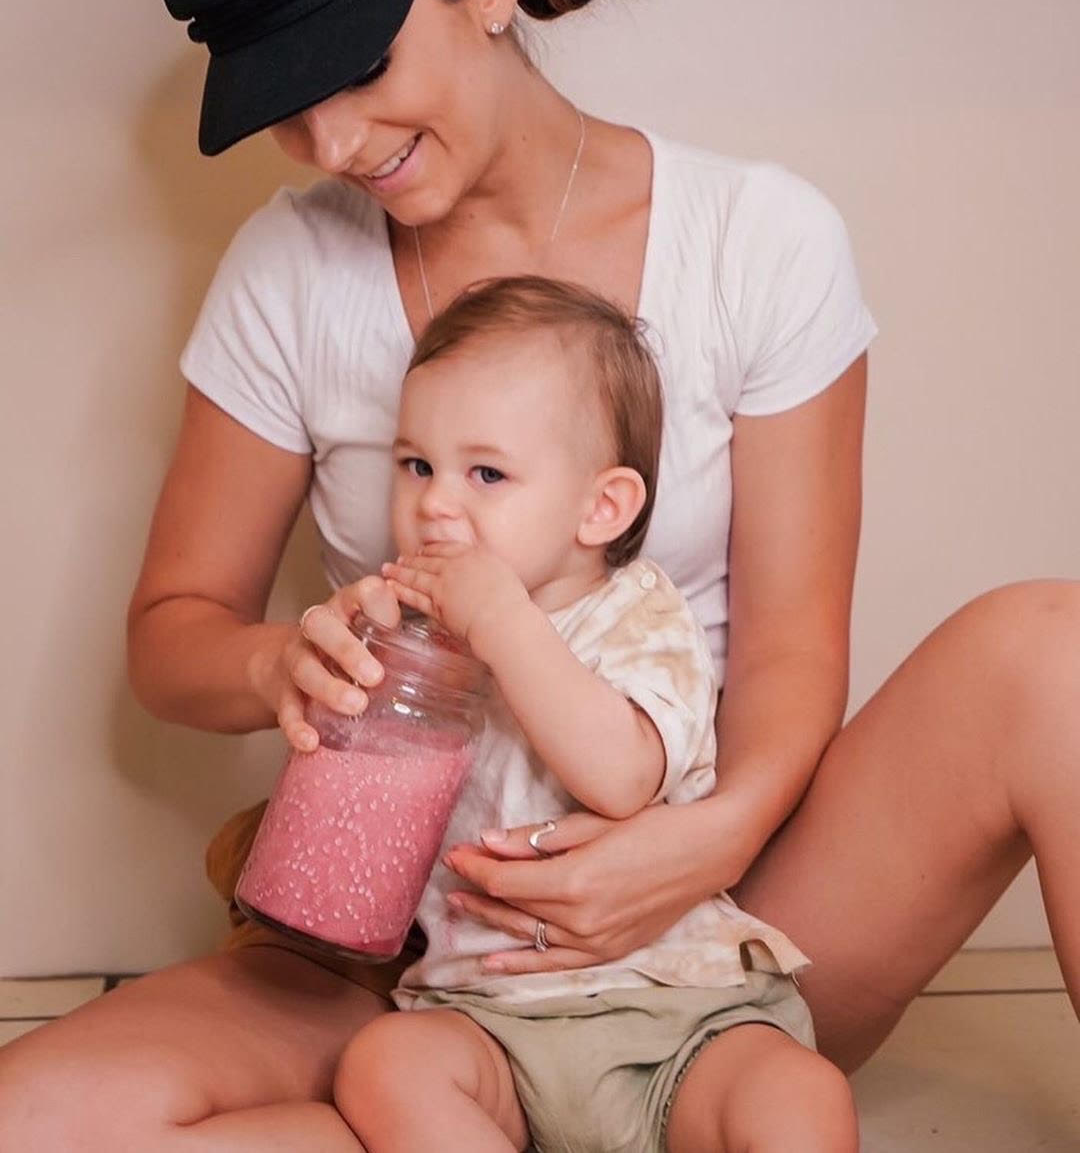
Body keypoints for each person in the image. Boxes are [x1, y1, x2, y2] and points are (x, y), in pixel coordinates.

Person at [0, 0, 1077, 1147]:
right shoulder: (291, 271)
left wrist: (708, 841)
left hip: (717, 937)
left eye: (362, 67)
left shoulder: (757, 239)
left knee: (1059, 651)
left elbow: (795, 651)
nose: (335, 145)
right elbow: (172, 640)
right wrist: (278, 664)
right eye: (289, 106)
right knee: (32, 1115)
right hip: (420, 958)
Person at [324, 273, 857, 1152]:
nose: (435, 503)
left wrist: (502, 623)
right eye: (417, 463)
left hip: (677, 1018)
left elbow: (620, 775)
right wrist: (344, 690)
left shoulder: (636, 613)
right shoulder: (408, 629)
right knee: (382, 1064)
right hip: (485, 1015)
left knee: (800, 1097)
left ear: (600, 507)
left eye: (485, 472)